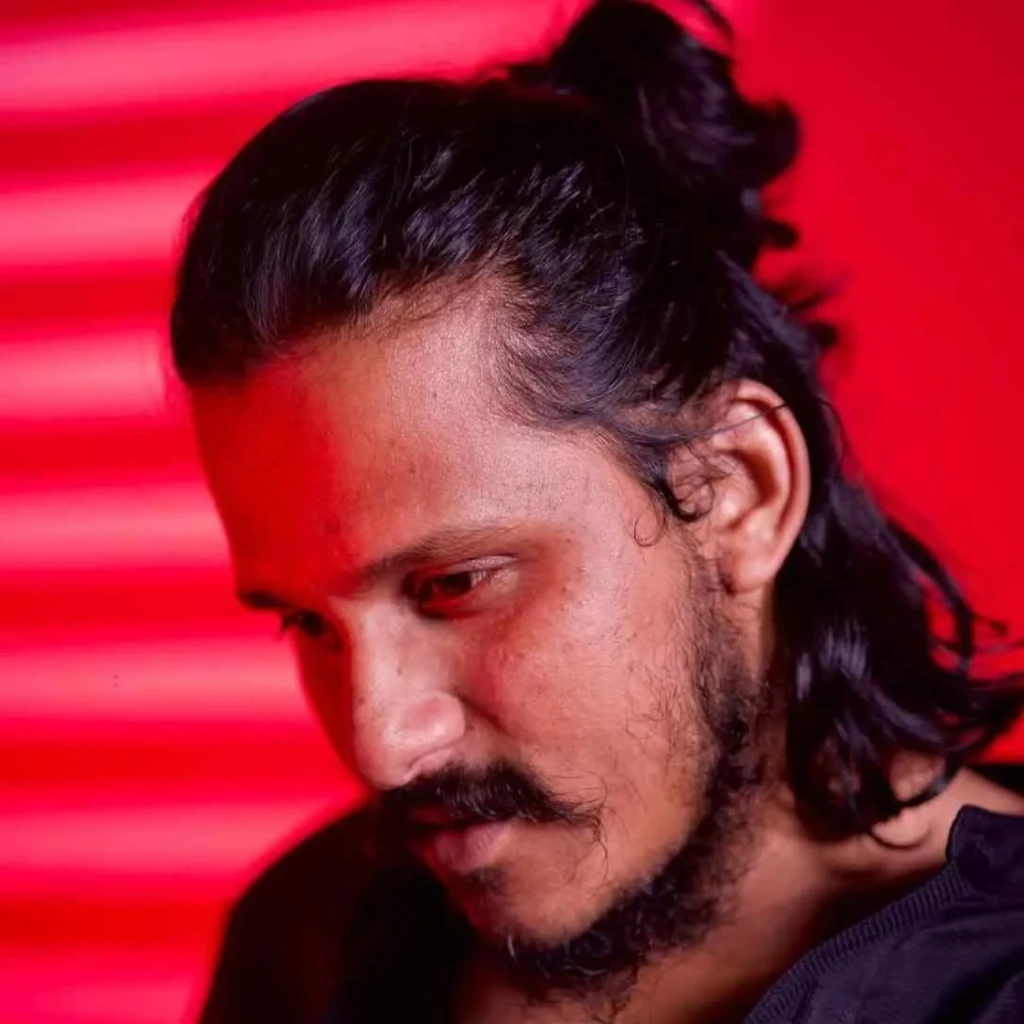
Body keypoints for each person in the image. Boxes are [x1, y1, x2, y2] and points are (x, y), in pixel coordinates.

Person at [171, 1, 1024, 1021]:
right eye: (308, 623)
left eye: (454, 584)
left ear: (738, 492)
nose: (383, 745)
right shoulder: (311, 939)